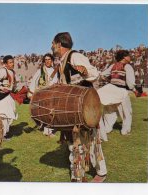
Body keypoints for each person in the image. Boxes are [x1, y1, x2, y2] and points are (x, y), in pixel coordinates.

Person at [51, 32, 107, 182]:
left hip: (86, 107)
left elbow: (95, 73)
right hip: (74, 108)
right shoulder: (62, 62)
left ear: (59, 44)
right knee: (76, 143)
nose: (51, 46)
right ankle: (78, 175)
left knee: (91, 141)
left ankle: (100, 172)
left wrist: (85, 70)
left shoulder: (74, 56)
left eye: (53, 43)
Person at [97, 50, 135, 141]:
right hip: (121, 91)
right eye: (128, 56)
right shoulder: (127, 66)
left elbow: (102, 75)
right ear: (124, 57)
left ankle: (107, 128)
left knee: (109, 111)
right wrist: (132, 88)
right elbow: (130, 83)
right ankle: (125, 130)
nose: (130, 57)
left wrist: (109, 80)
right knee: (126, 112)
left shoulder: (112, 66)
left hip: (111, 89)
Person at [28, 53, 58, 136]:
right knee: (46, 112)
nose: (47, 61)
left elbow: (56, 81)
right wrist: (31, 93)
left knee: (51, 112)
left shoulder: (55, 71)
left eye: (49, 59)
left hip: (52, 93)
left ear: (52, 61)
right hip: (42, 94)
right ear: (44, 61)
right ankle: (47, 131)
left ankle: (46, 128)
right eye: (46, 60)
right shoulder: (40, 70)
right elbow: (34, 81)